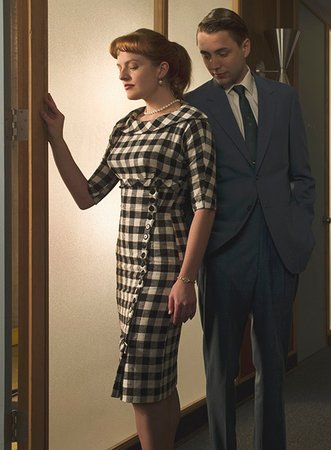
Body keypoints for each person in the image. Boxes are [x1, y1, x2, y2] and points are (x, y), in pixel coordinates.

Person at [41, 28, 217, 450]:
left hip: (166, 266)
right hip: (126, 265)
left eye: (132, 66)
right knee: (157, 378)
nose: (123, 75)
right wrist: (56, 138)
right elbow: (87, 195)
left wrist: (187, 278)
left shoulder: (191, 122)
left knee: (143, 381)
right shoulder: (125, 126)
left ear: (162, 69)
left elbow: (205, 205)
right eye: (119, 67)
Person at [185, 8, 315, 450]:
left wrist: (300, 229)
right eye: (205, 55)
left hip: (279, 248)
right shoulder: (194, 106)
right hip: (223, 251)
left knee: (272, 364)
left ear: (245, 47)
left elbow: (302, 174)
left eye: (221, 52)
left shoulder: (284, 98)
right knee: (219, 367)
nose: (213, 63)